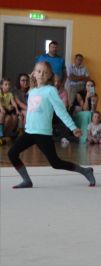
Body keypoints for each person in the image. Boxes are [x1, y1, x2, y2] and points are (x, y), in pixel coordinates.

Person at [6, 60, 95, 189]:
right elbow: (31, 111)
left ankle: (85, 171)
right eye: (39, 71)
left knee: (56, 163)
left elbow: (60, 110)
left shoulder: (50, 90)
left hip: (43, 133)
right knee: (12, 154)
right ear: (34, 73)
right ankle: (27, 180)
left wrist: (73, 127)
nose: (41, 74)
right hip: (30, 132)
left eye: (45, 72)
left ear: (49, 75)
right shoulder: (32, 91)